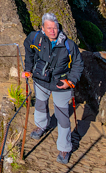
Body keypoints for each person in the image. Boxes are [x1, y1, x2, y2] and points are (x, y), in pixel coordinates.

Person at [23, 12, 83, 164]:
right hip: (40, 80)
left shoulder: (68, 45)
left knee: (62, 115)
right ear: (42, 28)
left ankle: (64, 148)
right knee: (41, 105)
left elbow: (78, 64)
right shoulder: (35, 38)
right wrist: (28, 68)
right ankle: (41, 126)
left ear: (58, 28)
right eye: (49, 28)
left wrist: (70, 81)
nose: (52, 31)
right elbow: (28, 50)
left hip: (61, 83)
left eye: (54, 28)